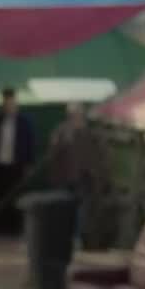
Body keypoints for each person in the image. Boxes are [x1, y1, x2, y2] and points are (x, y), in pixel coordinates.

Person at [0, 87, 35, 234]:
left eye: (11, 102)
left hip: (17, 165)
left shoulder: (24, 122)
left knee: (17, 196)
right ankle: (4, 227)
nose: (8, 105)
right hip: (1, 165)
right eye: (6, 103)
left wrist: (28, 165)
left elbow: (30, 143)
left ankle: (17, 228)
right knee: (1, 197)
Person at [49, 101, 92, 247]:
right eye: (75, 114)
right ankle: (62, 237)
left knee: (80, 211)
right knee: (63, 209)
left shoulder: (86, 132)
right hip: (64, 178)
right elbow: (53, 153)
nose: (78, 117)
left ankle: (76, 238)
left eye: (80, 113)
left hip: (82, 178)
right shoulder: (61, 131)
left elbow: (91, 156)